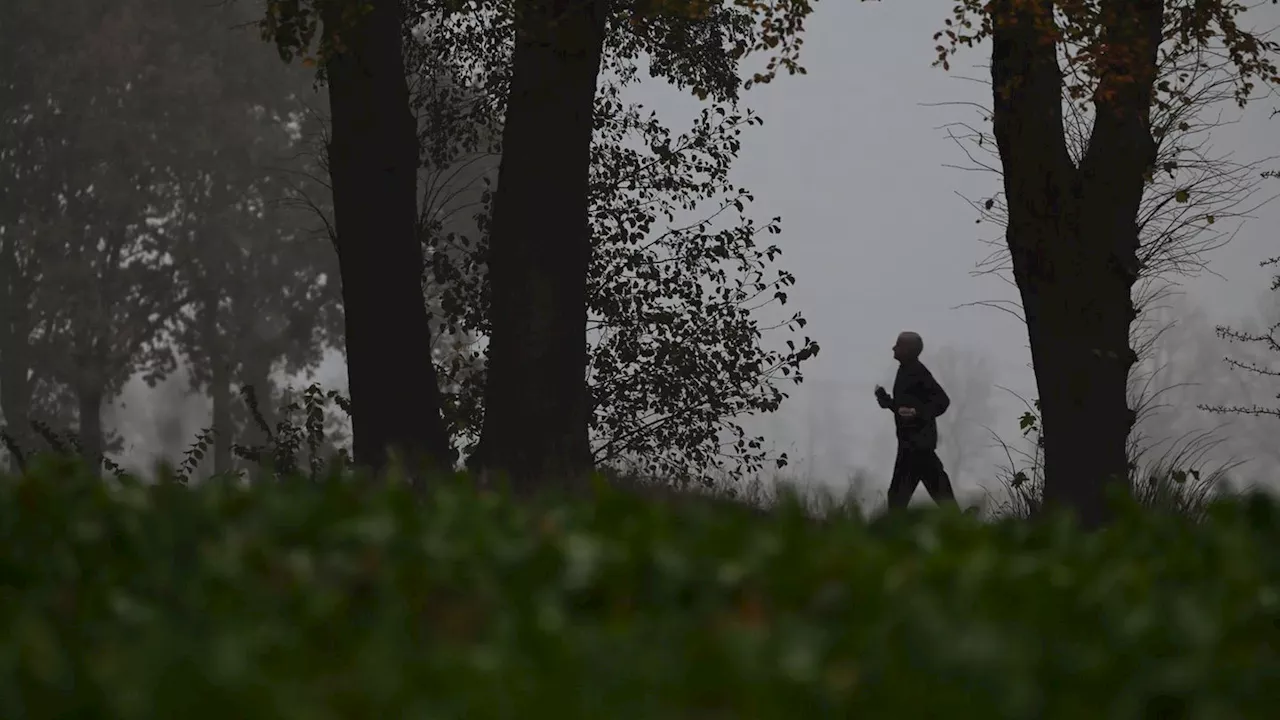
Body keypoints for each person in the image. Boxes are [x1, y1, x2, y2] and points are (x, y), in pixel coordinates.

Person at [874, 331, 956, 509]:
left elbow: (942, 401)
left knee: (898, 497)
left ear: (909, 350)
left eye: (898, 345)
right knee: (937, 491)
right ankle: (961, 525)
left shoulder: (918, 372)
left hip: (918, 446)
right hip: (911, 445)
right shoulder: (905, 370)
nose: (894, 348)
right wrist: (888, 402)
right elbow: (905, 409)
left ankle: (895, 533)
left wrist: (918, 413)